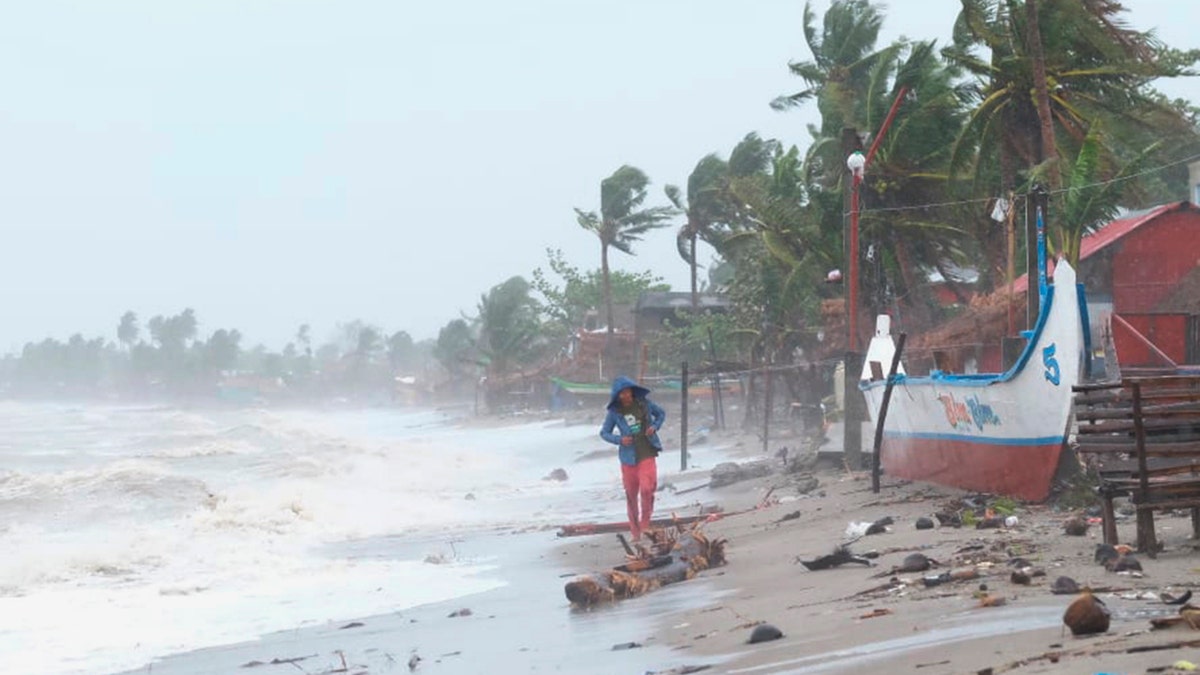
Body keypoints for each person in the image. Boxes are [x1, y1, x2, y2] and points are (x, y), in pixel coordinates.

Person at [599, 376, 666, 541]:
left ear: (632, 391)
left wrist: (654, 426)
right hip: (628, 458)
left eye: (627, 392)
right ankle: (635, 533)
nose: (626, 396)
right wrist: (619, 440)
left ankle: (645, 525)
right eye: (622, 394)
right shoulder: (614, 412)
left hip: (647, 453)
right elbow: (604, 433)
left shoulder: (644, 404)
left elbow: (661, 414)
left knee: (647, 489)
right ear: (617, 396)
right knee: (631, 496)